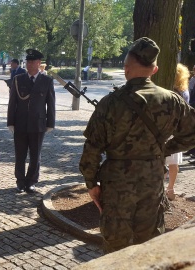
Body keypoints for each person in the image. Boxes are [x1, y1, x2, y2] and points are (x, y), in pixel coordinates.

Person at [79, 37, 195, 254]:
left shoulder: (110, 103)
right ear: (155, 69)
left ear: (126, 68)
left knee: (115, 248)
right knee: (149, 246)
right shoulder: (172, 100)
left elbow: (92, 148)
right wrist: (164, 150)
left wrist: (90, 183)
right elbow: (192, 134)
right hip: (151, 183)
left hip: (116, 185)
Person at [7, 49, 55, 193]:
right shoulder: (18, 79)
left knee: (35, 155)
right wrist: (10, 121)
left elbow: (50, 103)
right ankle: (20, 181)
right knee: (20, 155)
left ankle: (32, 181)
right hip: (20, 123)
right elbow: (12, 102)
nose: (29, 64)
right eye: (28, 61)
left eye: (32, 61)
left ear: (39, 63)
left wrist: (50, 123)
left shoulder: (46, 81)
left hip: (38, 124)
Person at [165, 63, 191, 200]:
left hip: (167, 128)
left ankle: (160, 188)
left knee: (161, 160)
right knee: (173, 162)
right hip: (177, 129)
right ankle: (170, 188)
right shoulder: (184, 90)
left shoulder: (171, 91)